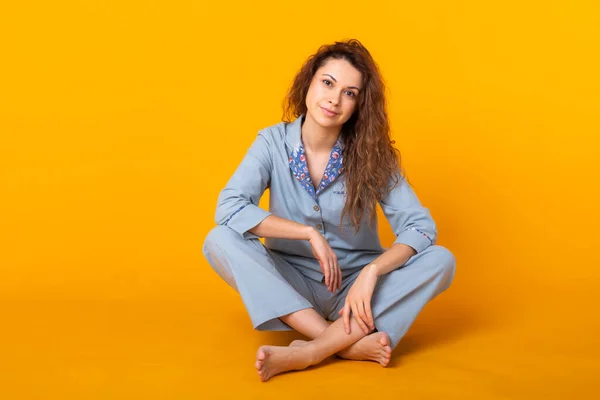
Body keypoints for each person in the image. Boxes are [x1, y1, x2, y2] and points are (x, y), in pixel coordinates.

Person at [202, 39, 456, 382]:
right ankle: (342, 343)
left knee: (441, 260)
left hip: (357, 291)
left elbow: (420, 227)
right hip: (291, 283)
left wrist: (372, 273)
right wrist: (305, 233)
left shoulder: (374, 155)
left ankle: (310, 351)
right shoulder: (271, 143)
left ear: (359, 105)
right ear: (308, 82)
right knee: (220, 240)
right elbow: (230, 208)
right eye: (327, 83)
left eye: (350, 93)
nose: (334, 99)